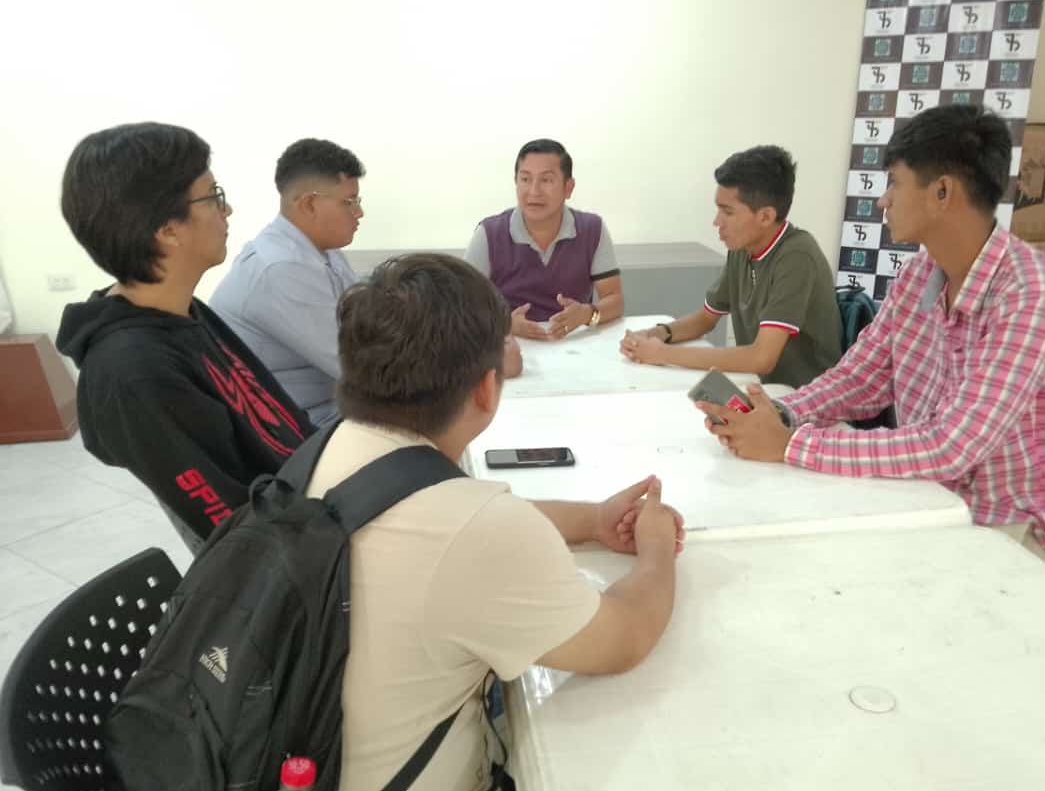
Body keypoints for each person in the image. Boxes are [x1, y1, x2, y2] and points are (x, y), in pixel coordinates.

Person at [308, 253, 681, 791]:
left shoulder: (333, 446)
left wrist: (594, 519)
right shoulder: (476, 530)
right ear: (486, 388)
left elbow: (452, 522)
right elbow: (624, 638)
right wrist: (657, 548)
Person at [698, 105, 1045, 581]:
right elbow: (860, 378)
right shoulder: (919, 276)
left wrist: (792, 445)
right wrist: (779, 415)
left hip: (1017, 533)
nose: (883, 201)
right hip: (930, 501)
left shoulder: (1034, 294)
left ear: (942, 192)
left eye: (895, 183)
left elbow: (952, 445)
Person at [56, 122, 315, 543]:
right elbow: (241, 533)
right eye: (213, 196)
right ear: (167, 230)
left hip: (315, 496)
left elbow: (285, 424)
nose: (227, 210)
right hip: (297, 555)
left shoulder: (182, 310)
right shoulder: (133, 372)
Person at [620, 146, 841, 388]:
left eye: (727, 212)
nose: (717, 222)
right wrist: (657, 334)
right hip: (759, 387)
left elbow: (761, 359)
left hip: (803, 396)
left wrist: (662, 354)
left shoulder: (798, 256)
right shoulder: (742, 248)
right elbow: (706, 319)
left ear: (765, 217)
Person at [210, 138, 364, 426]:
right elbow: (362, 367)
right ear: (309, 204)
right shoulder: (281, 268)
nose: (359, 213)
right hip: (292, 427)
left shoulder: (325, 252)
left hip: (329, 409)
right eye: (349, 202)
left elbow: (368, 325)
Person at [465, 138, 624, 341]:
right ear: (516, 183)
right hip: (509, 345)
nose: (534, 191)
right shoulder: (489, 233)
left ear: (568, 188)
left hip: (574, 343)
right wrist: (505, 324)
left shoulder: (592, 229)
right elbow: (463, 306)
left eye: (546, 180)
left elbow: (614, 299)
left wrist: (587, 314)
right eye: (525, 179)